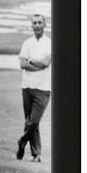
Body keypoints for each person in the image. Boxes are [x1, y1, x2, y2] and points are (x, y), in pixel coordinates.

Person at [16, 14, 51, 162]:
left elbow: (45, 63)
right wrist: (36, 64)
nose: (37, 25)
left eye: (39, 23)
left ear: (44, 25)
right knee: (30, 121)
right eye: (34, 23)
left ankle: (22, 141)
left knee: (34, 121)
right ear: (32, 26)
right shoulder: (27, 43)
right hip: (27, 86)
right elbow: (22, 64)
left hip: (43, 88)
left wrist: (32, 61)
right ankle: (36, 154)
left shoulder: (49, 43)